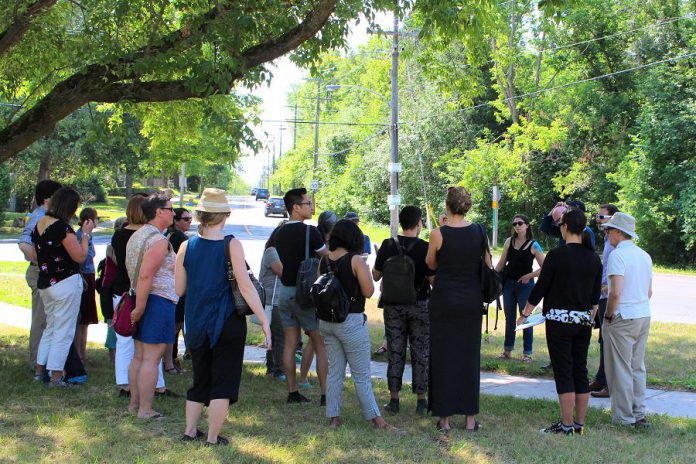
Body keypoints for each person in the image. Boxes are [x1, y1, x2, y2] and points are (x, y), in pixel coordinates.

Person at [176, 188, 271, 446]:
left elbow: (179, 289)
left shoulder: (186, 245)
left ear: (199, 215)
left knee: (200, 378)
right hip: (227, 322)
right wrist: (264, 321)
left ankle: (189, 431)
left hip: (195, 322)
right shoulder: (232, 244)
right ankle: (212, 438)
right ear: (225, 215)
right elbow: (246, 286)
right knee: (223, 381)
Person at [518, 208, 602, 436]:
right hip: (584, 321)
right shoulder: (594, 258)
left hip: (558, 322)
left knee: (564, 371)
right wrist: (590, 318)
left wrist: (525, 313)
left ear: (564, 228)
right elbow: (595, 299)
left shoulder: (556, 256)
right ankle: (579, 425)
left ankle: (566, 426)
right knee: (580, 370)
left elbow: (540, 289)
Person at [318, 219, 397, 432]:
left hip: (327, 321)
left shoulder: (324, 260)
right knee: (361, 375)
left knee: (335, 372)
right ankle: (377, 421)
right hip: (350, 321)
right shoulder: (355, 261)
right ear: (354, 238)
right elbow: (369, 291)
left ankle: (333, 418)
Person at [425, 186, 488, 432]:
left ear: (447, 206)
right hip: (471, 300)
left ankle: (445, 419)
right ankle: (470, 419)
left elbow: (430, 263)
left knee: (443, 357)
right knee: (469, 357)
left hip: (445, 300)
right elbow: (486, 264)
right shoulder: (479, 232)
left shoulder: (437, 234)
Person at [373, 206, 434, 415]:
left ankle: (394, 400)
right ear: (419, 224)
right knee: (420, 351)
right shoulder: (425, 247)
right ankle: (421, 400)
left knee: (396, 351)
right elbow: (433, 279)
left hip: (393, 306)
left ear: (401, 223)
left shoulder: (388, 245)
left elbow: (376, 275)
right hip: (420, 304)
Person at [32, 187, 94, 387]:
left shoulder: (40, 223)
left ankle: (39, 371)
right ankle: (57, 376)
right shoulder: (63, 228)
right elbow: (80, 256)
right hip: (65, 282)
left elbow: (37, 253)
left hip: (46, 283)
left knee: (51, 328)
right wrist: (85, 236)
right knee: (64, 331)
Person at [126, 194, 179, 419]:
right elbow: (146, 275)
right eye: (170, 209)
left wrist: (138, 306)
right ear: (159, 212)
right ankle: (145, 409)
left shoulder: (138, 235)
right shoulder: (158, 240)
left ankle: (134, 405)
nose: (173, 213)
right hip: (155, 301)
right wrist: (140, 308)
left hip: (143, 299)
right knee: (151, 358)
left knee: (139, 356)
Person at [274, 188, 329, 404]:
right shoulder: (311, 232)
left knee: (290, 342)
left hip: (285, 291)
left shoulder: (280, 232)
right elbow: (326, 255)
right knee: (319, 342)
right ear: (296, 207)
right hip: (305, 294)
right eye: (307, 204)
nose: (311, 207)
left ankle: (292, 391)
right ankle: (325, 394)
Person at [110, 195, 167, 398]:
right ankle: (156, 385)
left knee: (126, 342)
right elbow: (147, 272)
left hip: (123, 290)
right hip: (141, 292)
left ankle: (125, 384)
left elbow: (115, 259)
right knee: (150, 347)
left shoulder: (120, 235)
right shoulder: (149, 237)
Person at [600, 213, 653, 428]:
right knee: (637, 367)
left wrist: (608, 315)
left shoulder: (617, 255)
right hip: (643, 314)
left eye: (609, 230)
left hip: (622, 316)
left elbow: (616, 294)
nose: (607, 233)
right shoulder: (644, 255)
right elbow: (648, 291)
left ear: (620, 233)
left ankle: (624, 417)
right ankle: (639, 413)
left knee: (620, 368)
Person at [18, 179, 62, 370]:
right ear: (48, 198)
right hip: (39, 273)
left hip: (47, 273)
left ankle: (45, 362)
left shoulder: (46, 215)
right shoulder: (40, 216)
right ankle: (36, 363)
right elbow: (23, 241)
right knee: (40, 320)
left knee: (48, 320)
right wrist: (39, 260)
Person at [494, 214, 545, 362]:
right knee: (509, 318)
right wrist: (493, 277)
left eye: (520, 223)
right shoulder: (509, 242)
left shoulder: (534, 245)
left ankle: (527, 353)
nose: (517, 226)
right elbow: (501, 263)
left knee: (525, 318)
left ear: (527, 225)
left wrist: (529, 276)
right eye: (514, 224)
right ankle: (507, 350)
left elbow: (545, 267)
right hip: (509, 284)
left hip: (526, 287)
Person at [298, 211, 338, 388]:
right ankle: (323, 386)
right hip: (320, 292)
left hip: (314, 291)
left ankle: (304, 378)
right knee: (318, 342)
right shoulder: (322, 240)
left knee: (314, 341)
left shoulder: (316, 236)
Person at [590, 204, 620, 398]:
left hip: (609, 296)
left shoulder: (617, 242)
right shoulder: (607, 239)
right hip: (602, 295)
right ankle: (601, 379)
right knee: (602, 339)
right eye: (596, 215)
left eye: (601, 216)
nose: (597, 219)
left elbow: (618, 273)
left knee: (608, 340)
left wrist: (605, 288)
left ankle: (608, 384)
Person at [164, 207, 192, 375]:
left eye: (190, 219)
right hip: (177, 287)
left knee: (174, 325)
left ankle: (170, 360)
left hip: (170, 286)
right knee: (174, 326)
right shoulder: (179, 238)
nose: (189, 222)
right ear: (176, 220)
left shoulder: (169, 235)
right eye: (186, 219)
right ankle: (170, 361)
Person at [258, 221, 287, 380]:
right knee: (279, 335)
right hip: (271, 301)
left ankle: (272, 368)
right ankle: (278, 369)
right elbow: (281, 271)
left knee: (274, 336)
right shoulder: (272, 251)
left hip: (277, 300)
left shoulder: (277, 251)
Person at [74, 207, 99, 362]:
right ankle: (78, 354)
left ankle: (83, 353)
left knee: (86, 320)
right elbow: (81, 258)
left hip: (90, 275)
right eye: (96, 219)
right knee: (81, 318)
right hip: (83, 277)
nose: (97, 222)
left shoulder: (88, 237)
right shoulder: (79, 236)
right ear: (88, 220)